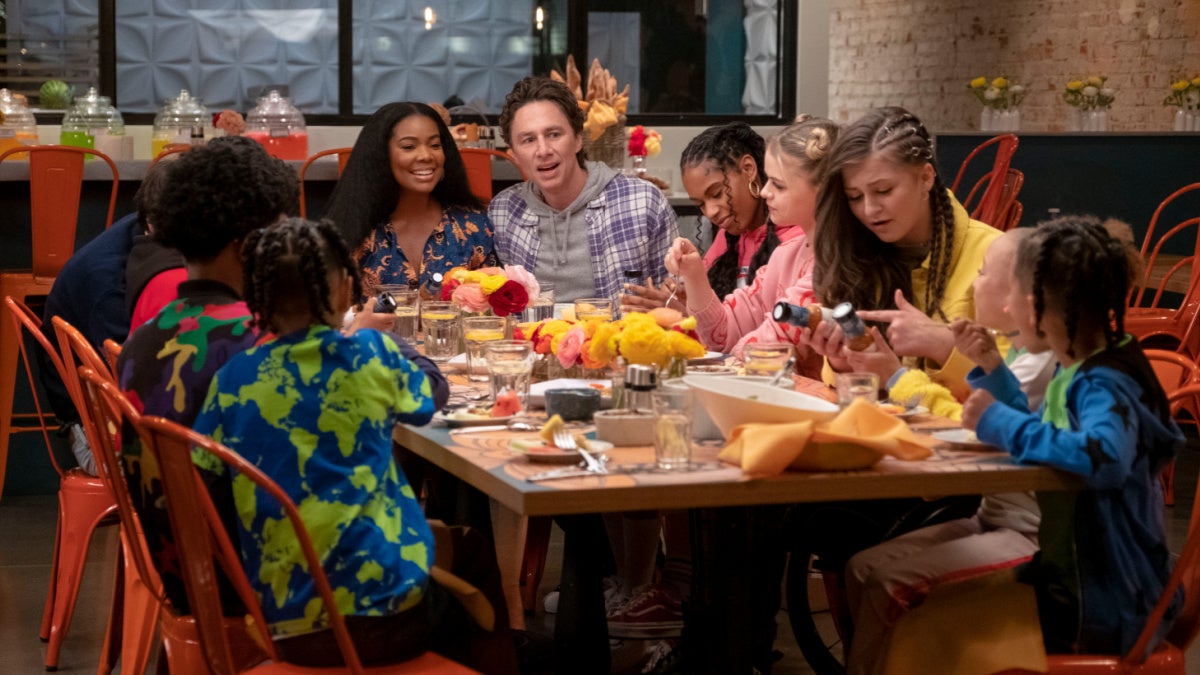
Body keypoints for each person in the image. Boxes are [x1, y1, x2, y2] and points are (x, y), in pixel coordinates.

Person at [192, 219, 512, 671]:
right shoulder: (369, 355)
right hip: (391, 620)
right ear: (346, 291)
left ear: (253, 297)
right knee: (468, 583)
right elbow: (431, 395)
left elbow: (203, 476)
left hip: (283, 622)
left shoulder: (232, 379)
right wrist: (388, 340)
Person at [958, 215, 1182, 659]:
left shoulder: (1105, 383)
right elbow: (1048, 432)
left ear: (1039, 308)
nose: (1006, 310)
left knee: (943, 629)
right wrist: (994, 370)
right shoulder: (1077, 368)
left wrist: (1001, 424)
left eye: (1014, 296)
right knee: (940, 612)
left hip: (1107, 600)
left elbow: (1103, 457)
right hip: (1082, 578)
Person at [843, 228, 1055, 675]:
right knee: (861, 568)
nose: (975, 283)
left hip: (1035, 536)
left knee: (888, 584)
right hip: (994, 517)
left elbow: (973, 427)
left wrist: (897, 377)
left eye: (983, 274)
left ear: (1015, 300)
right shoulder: (1020, 354)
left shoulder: (1041, 365)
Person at [808, 106, 1001, 400]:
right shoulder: (854, 256)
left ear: (926, 177)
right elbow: (861, 389)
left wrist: (942, 344)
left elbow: (1026, 389)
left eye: (883, 191)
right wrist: (842, 362)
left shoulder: (994, 255)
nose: (869, 209)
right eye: (855, 197)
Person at [36, 160, 180, 475]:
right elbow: (130, 389)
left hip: (115, 405)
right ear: (153, 224)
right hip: (97, 431)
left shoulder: (144, 227)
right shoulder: (111, 286)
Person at [662, 116, 838, 360]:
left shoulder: (836, 262)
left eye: (778, 185)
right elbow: (721, 334)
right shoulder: (784, 255)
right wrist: (694, 275)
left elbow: (770, 343)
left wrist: (731, 357)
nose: (765, 191)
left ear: (823, 189)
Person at [490, 76, 678, 303]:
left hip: (619, 327)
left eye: (554, 135)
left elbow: (676, 300)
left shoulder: (643, 202)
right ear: (514, 154)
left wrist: (667, 303)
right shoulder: (503, 212)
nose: (543, 150)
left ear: (578, 139)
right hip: (533, 327)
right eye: (528, 140)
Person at [626, 121, 806, 314]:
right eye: (700, 204)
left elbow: (776, 325)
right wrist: (687, 301)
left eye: (717, 193)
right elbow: (716, 321)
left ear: (748, 169)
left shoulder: (798, 241)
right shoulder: (727, 238)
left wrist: (687, 315)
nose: (710, 212)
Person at [323, 101, 498, 298]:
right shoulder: (350, 230)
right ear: (381, 155)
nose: (426, 156)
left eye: (435, 145)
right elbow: (326, 310)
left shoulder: (473, 226)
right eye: (408, 146)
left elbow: (492, 306)